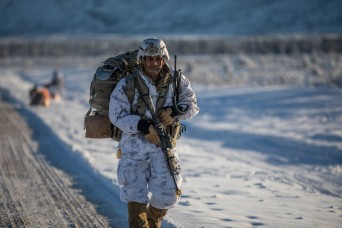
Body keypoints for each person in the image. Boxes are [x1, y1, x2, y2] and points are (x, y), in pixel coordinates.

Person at [109, 38, 199, 228]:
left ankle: (152, 221)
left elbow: (191, 104)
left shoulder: (177, 80)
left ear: (164, 58)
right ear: (142, 59)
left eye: (158, 58)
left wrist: (173, 112)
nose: (154, 63)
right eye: (149, 59)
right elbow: (116, 114)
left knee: (168, 193)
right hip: (134, 149)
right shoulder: (128, 83)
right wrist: (143, 126)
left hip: (163, 147)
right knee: (135, 195)